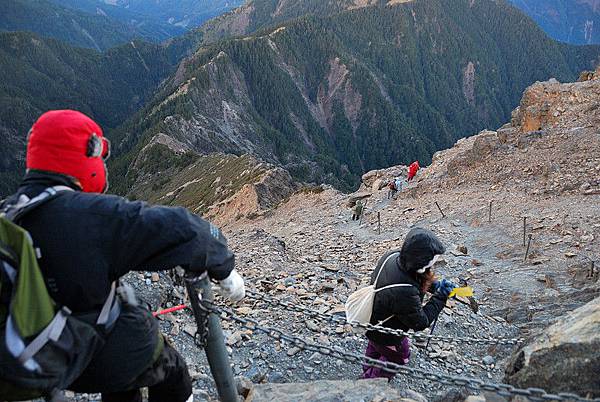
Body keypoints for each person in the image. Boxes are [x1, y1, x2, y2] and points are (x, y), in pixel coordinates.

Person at [1, 110, 246, 402]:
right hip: (87, 358)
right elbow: (184, 229)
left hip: (27, 359)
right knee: (170, 369)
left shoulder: (9, 214)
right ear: (85, 156)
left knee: (119, 348)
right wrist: (225, 269)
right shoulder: (92, 215)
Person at [361, 227, 456, 381]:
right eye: (429, 264)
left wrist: (434, 285)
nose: (431, 267)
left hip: (372, 320)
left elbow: (412, 277)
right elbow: (420, 322)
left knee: (375, 347)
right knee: (399, 356)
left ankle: (368, 368)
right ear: (420, 263)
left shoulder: (393, 256)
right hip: (388, 333)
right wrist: (440, 297)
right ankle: (371, 381)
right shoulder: (405, 292)